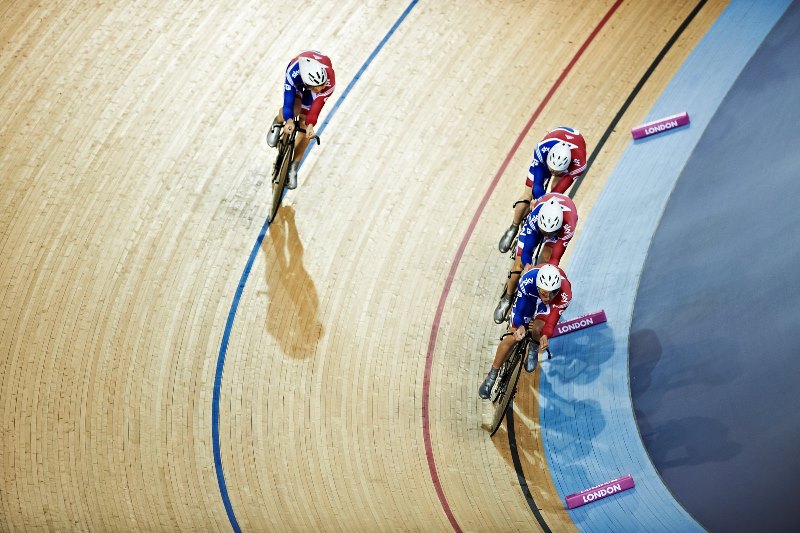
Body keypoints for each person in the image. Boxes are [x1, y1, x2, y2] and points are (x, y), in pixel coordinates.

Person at [479, 264, 572, 399]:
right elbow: (520, 311)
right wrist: (520, 325)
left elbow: (552, 320)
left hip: (546, 303)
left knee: (538, 329)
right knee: (513, 337)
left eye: (553, 292)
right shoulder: (528, 280)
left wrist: (545, 335)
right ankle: (492, 375)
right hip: (530, 296)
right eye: (545, 293)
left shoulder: (565, 294)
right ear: (539, 287)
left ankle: (533, 348)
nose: (548, 297)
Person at [498, 126, 586, 253]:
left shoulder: (579, 164)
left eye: (557, 171)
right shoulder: (542, 149)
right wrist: (537, 201)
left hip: (569, 163)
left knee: (555, 191)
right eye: (552, 169)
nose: (553, 172)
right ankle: (514, 226)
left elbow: (557, 194)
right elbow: (538, 184)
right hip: (547, 153)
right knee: (528, 195)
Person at [493, 192, 578, 323]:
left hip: (561, 226)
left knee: (548, 258)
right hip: (539, 220)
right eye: (545, 233)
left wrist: (544, 277)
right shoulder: (535, 216)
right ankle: (507, 297)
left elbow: (555, 259)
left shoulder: (568, 226)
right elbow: (527, 249)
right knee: (519, 264)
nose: (547, 236)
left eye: (550, 233)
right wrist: (527, 266)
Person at [266, 50, 335, 190]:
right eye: (316, 87)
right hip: (298, 79)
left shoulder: (328, 82)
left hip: (314, 77)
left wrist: (310, 126)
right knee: (294, 108)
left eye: (321, 85)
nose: (321, 89)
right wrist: (289, 120)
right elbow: (288, 103)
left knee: (304, 125)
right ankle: (277, 122)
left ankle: (293, 167)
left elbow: (316, 110)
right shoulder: (293, 72)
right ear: (309, 84)